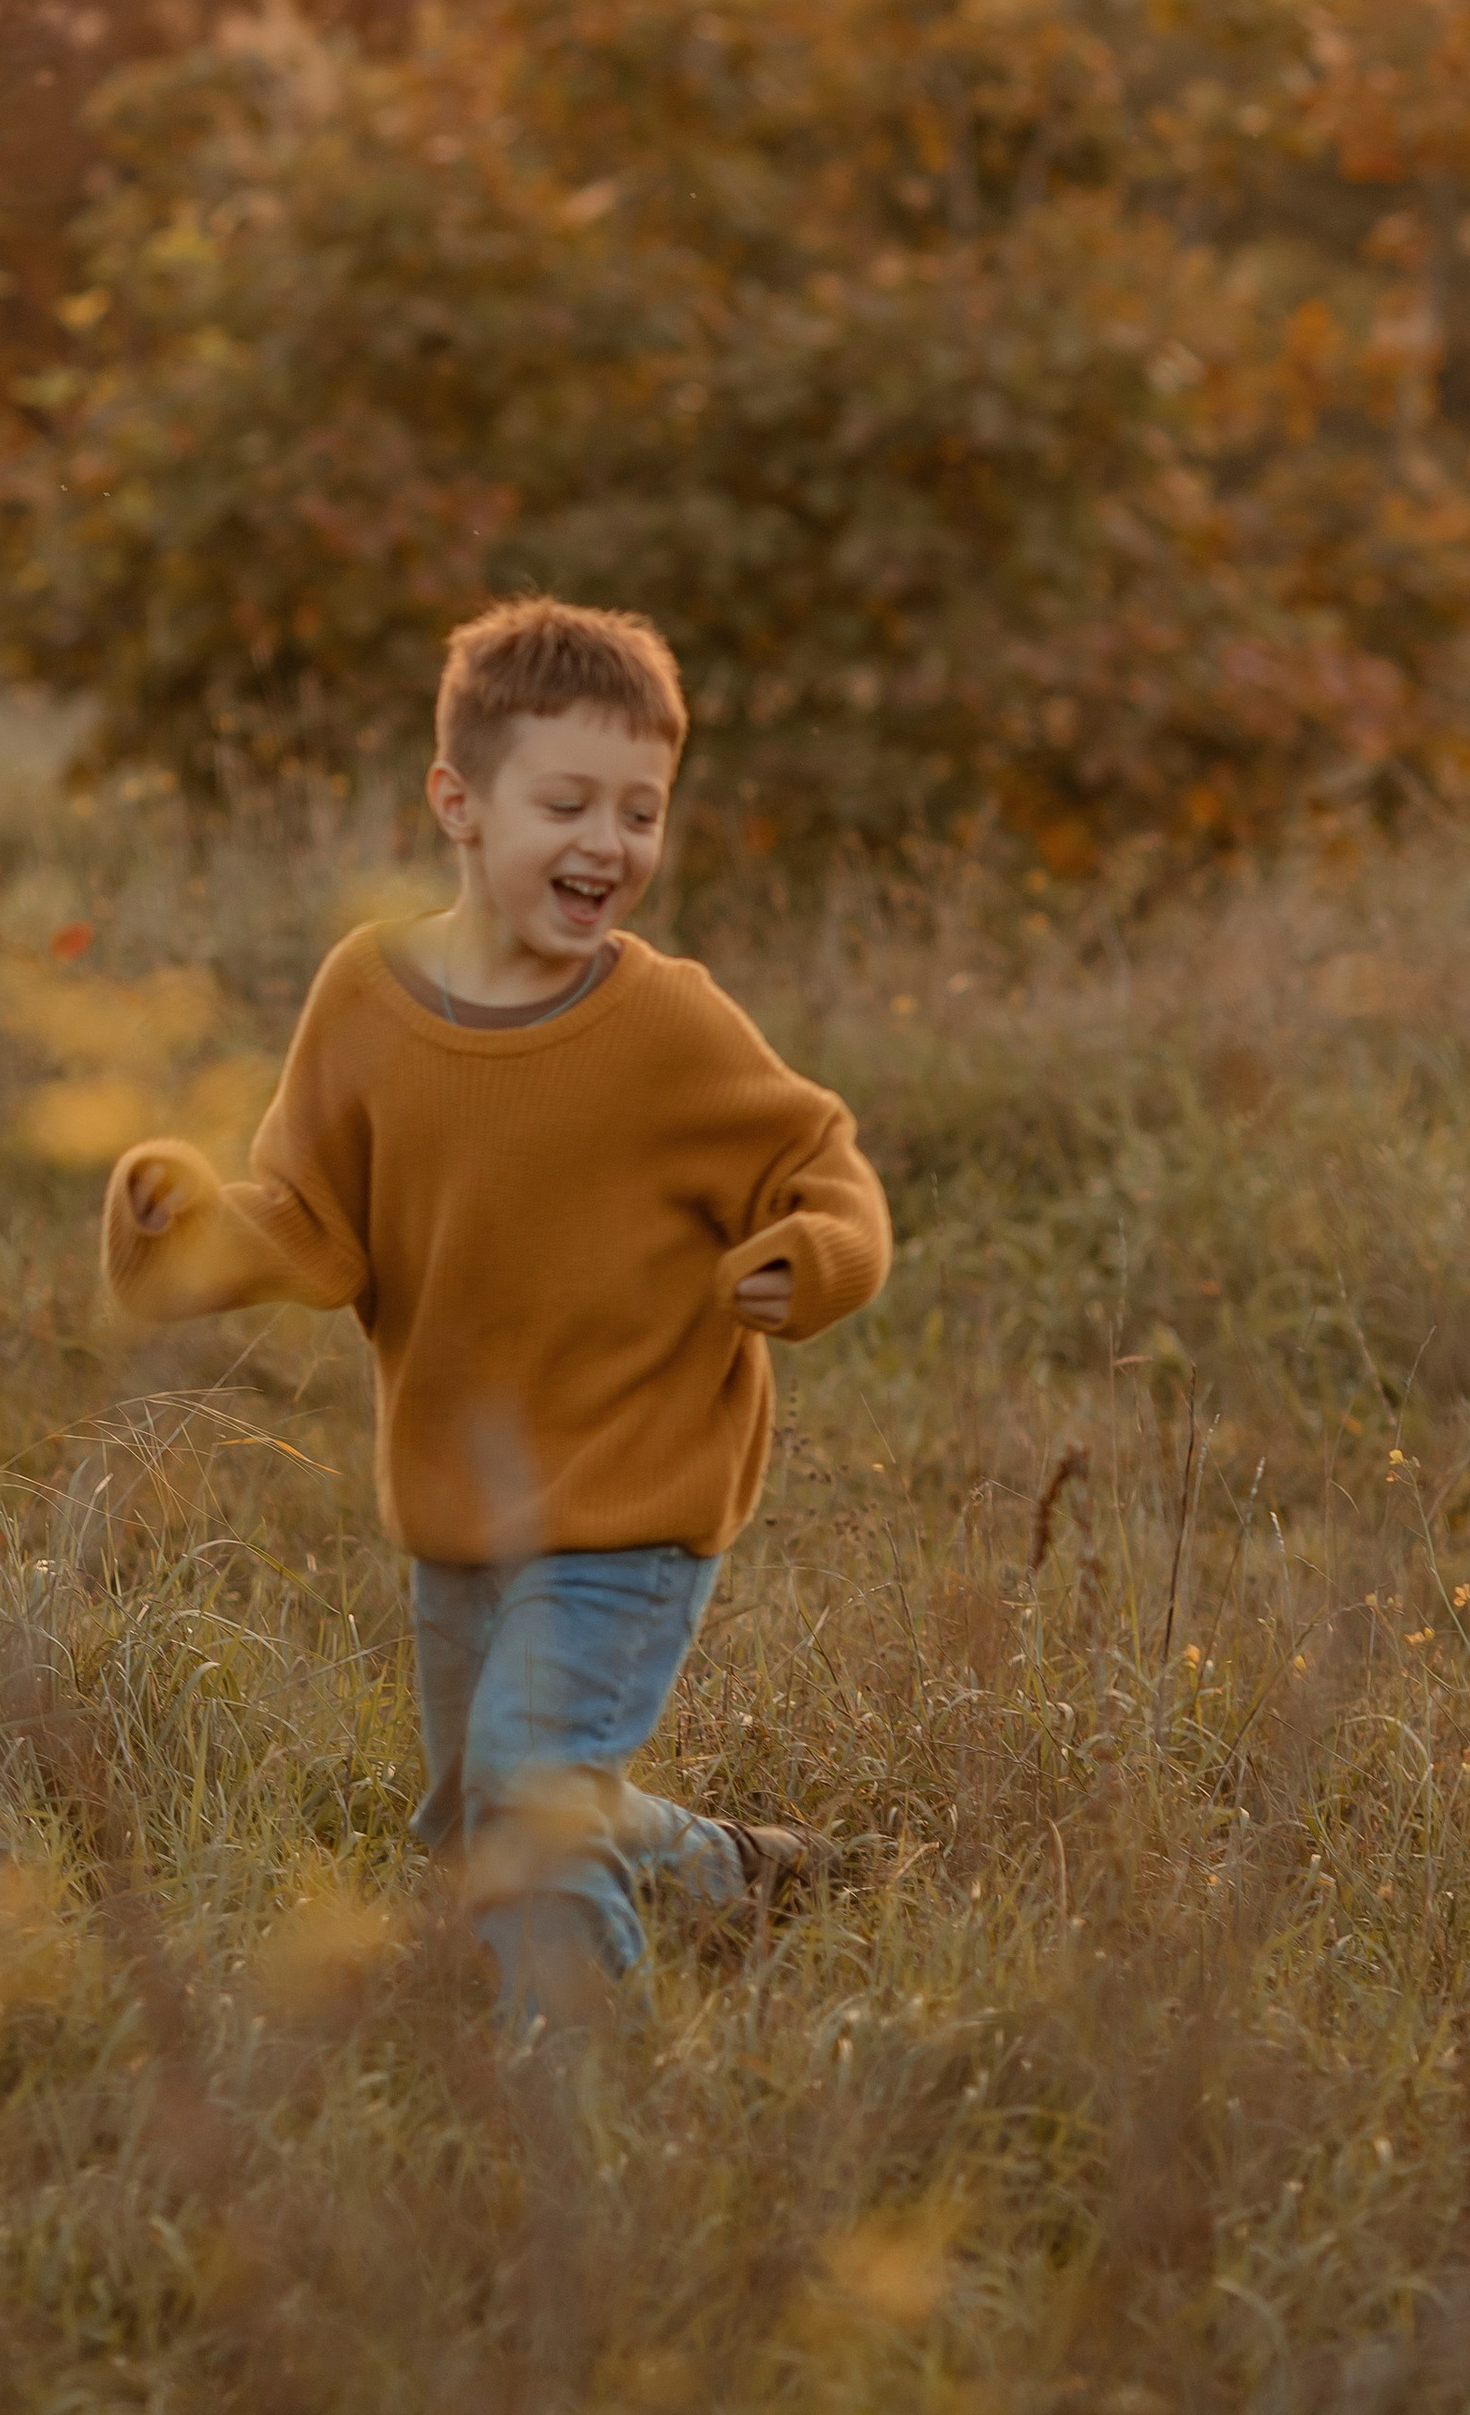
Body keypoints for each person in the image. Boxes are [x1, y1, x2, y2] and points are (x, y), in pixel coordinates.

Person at [101, 595, 891, 2022]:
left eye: (641, 811)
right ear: (459, 803)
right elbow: (313, 1222)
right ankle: (723, 1873)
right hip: (462, 1497)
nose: (609, 843)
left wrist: (818, 1254)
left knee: (529, 1814)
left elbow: (818, 1157)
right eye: (569, 802)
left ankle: (580, 2137)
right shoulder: (366, 995)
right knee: (486, 1821)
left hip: (633, 1489)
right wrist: (184, 1224)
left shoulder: (669, 1024)